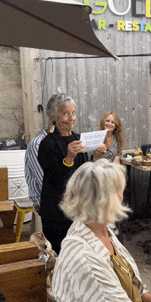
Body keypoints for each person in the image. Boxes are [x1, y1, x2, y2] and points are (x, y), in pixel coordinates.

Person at [52, 159, 151, 302]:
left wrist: (147, 297)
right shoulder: (85, 257)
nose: (122, 196)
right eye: (119, 191)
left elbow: (125, 277)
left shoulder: (99, 229)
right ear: (103, 200)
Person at [37, 94, 87, 254]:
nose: (71, 118)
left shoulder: (78, 138)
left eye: (73, 113)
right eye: (65, 113)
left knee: (78, 252)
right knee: (60, 254)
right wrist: (69, 158)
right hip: (56, 212)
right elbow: (58, 180)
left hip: (78, 207)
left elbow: (83, 171)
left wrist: (97, 157)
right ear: (53, 116)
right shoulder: (47, 144)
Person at [25, 117, 54, 232]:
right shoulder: (37, 144)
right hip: (45, 200)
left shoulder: (63, 142)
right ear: (51, 123)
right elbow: (44, 181)